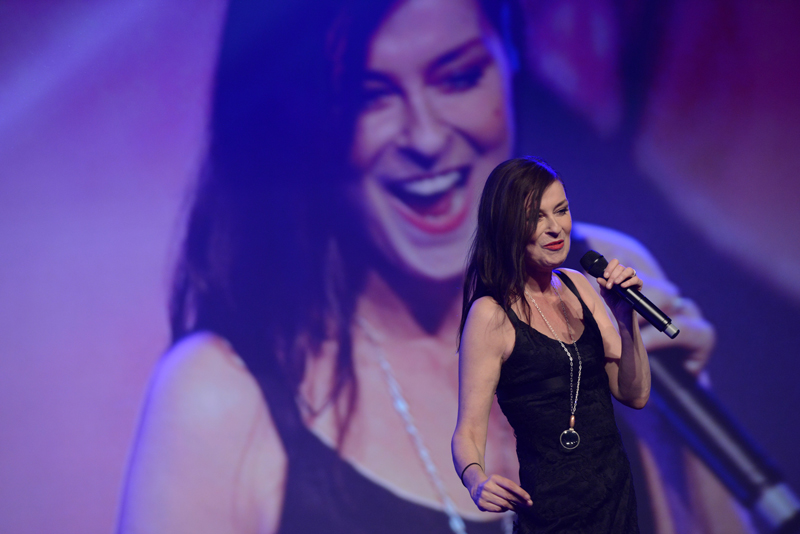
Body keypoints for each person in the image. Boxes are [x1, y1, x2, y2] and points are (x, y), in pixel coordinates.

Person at [116, 0, 747, 532]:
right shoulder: (219, 401)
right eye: (368, 95)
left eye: (458, 77)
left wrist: (676, 436)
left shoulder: (604, 277)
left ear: (509, 65)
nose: (424, 137)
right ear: (303, 121)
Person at [452, 156, 648, 532]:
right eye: (536, 217)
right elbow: (468, 431)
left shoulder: (578, 285)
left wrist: (626, 320)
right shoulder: (491, 315)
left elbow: (634, 394)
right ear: (506, 227)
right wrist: (476, 480)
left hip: (615, 503)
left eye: (561, 210)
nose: (555, 228)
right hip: (553, 514)